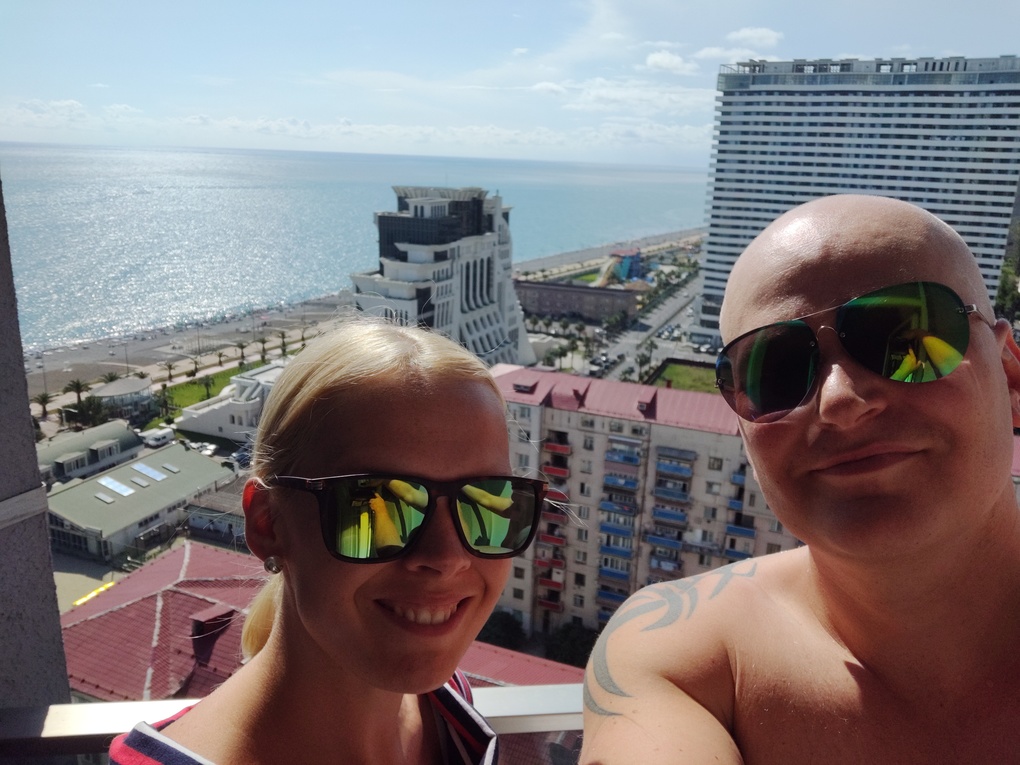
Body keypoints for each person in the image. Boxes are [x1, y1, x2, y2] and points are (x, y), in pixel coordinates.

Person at [580, 195, 1020, 763]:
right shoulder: (685, 657)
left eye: (907, 341)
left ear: (1010, 376)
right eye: (777, 371)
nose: (840, 402)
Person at [110, 317, 547, 765]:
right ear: (268, 524)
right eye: (375, 507)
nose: (447, 557)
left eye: (487, 504)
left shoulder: (447, 704)